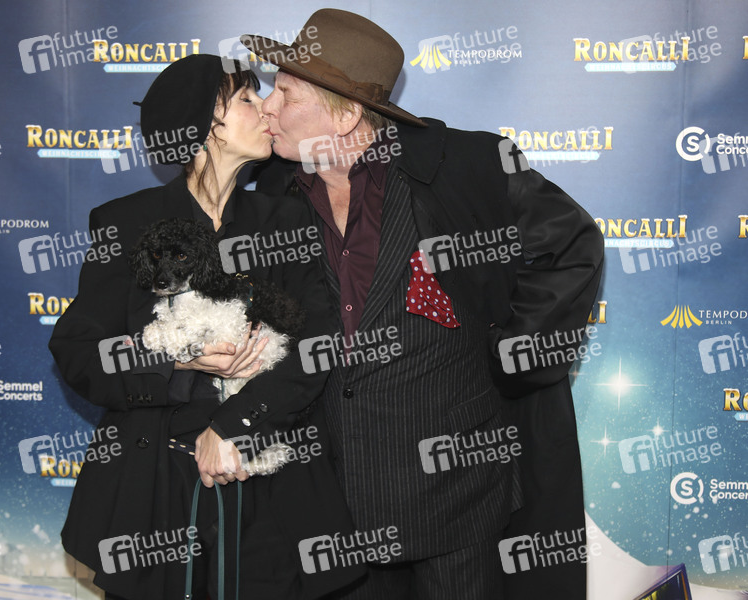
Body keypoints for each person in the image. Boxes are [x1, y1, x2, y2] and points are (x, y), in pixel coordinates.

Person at [242, 9, 604, 600]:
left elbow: (571, 244)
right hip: (333, 500)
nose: (267, 107)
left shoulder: (468, 166)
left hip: (457, 493)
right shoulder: (275, 189)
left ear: (347, 113)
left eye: (285, 93)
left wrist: (515, 354)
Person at [49, 54, 363, 600]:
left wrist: (232, 427)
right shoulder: (125, 222)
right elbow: (79, 351)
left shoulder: (286, 220)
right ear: (205, 125)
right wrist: (175, 361)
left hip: (267, 488)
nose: (267, 110)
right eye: (246, 98)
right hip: (155, 493)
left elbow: (316, 343)